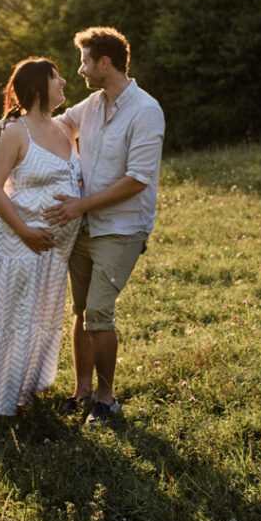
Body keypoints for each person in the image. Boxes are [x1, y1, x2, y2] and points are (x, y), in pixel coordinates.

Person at [44, 26, 165, 427]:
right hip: (85, 227)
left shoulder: (146, 111)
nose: (80, 70)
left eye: (84, 62)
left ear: (105, 63)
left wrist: (80, 205)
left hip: (122, 227)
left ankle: (106, 400)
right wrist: (15, 127)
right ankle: (81, 392)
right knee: (80, 311)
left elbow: (137, 180)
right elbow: (60, 126)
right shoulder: (93, 105)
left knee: (98, 310)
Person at [0, 57, 82, 422]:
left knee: (33, 322)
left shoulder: (61, 128)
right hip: (16, 244)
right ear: (40, 85)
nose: (64, 81)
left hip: (53, 251)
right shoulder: (15, 130)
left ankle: (16, 397)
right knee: (3, 321)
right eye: (57, 77)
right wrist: (25, 231)